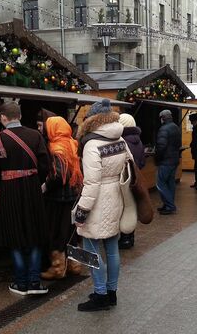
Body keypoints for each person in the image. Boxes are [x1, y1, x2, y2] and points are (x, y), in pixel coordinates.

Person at [0, 102, 50, 296]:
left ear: (3, 118)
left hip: (9, 191)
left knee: (14, 238)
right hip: (32, 190)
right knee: (35, 236)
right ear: (20, 116)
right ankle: (34, 282)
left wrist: (3, 184)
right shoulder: (35, 135)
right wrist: (35, 181)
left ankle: (20, 283)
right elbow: (45, 165)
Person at [74, 99, 130, 312]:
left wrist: (82, 211)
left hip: (97, 202)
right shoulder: (120, 139)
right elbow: (128, 166)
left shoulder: (92, 144)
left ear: (93, 120)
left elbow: (91, 183)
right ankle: (111, 292)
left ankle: (100, 295)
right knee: (112, 248)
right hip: (115, 195)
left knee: (90, 250)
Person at [40, 116, 84, 280]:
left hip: (59, 198)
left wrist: (45, 186)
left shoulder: (56, 148)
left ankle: (57, 268)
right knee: (71, 232)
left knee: (56, 233)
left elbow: (58, 175)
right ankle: (75, 265)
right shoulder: (73, 144)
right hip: (74, 196)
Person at [118, 113, 145, 249]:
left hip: (124, 179)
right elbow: (142, 162)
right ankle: (131, 237)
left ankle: (124, 238)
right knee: (132, 207)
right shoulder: (138, 140)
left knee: (124, 208)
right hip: (136, 179)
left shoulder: (122, 141)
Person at [155, 109, 182, 215]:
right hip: (174, 159)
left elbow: (161, 146)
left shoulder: (163, 129)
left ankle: (170, 205)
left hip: (166, 160)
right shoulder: (176, 127)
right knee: (170, 183)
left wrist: (157, 158)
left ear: (163, 118)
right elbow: (178, 144)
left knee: (160, 183)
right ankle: (167, 204)